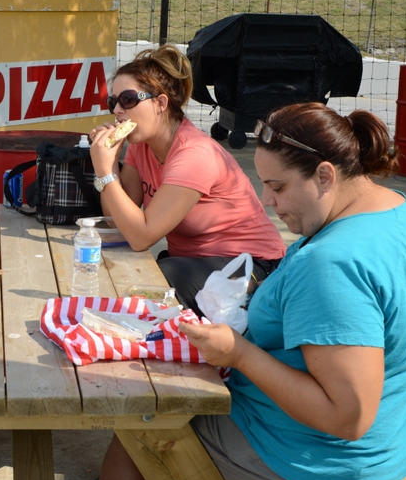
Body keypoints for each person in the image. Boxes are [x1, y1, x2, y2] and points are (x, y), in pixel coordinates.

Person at [95, 102, 406, 480]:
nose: (266, 200)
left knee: (140, 431)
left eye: (278, 187)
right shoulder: (395, 208)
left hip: (317, 464)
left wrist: (239, 354)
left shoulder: (332, 264)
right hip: (389, 446)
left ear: (325, 175)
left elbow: (347, 417)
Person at [88, 45, 286, 314]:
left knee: (162, 276)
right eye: (113, 102)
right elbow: (118, 221)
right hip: (196, 263)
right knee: (138, 272)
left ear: (160, 103)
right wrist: (109, 163)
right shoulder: (140, 145)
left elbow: (140, 237)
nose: (117, 111)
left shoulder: (194, 154)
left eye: (128, 99)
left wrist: (105, 173)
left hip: (255, 269)